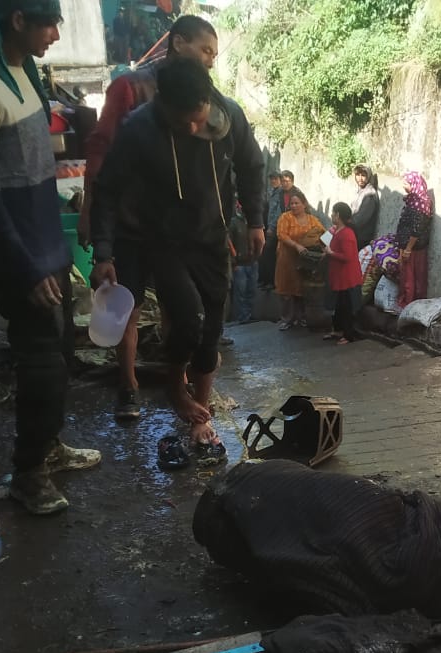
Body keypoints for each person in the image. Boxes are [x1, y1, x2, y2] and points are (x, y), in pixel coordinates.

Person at [0, 0, 101, 516]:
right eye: (50, 24)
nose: (57, 35)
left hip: (48, 251)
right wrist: (26, 267)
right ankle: (28, 473)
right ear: (18, 21)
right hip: (23, 261)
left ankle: (49, 449)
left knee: (59, 356)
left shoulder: (24, 74)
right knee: (39, 367)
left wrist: (56, 254)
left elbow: (34, 177)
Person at [90, 56, 266, 469]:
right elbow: (108, 190)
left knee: (212, 330)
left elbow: (252, 167)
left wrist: (256, 221)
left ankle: (199, 414)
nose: (191, 129)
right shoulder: (137, 129)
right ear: (161, 105)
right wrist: (103, 251)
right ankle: (174, 387)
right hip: (163, 240)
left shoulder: (231, 116)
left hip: (212, 238)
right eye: (181, 122)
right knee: (187, 317)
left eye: (198, 119)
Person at [80, 14, 221, 421]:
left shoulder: (204, 96)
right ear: (179, 43)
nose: (210, 60)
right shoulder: (130, 88)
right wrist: (96, 224)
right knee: (128, 306)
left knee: (187, 312)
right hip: (131, 225)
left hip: (177, 233)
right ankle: (129, 387)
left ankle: (180, 386)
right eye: (205, 50)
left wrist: (221, 222)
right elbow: (100, 151)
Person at [274, 186, 324, 330]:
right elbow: (281, 235)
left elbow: (323, 233)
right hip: (287, 258)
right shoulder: (285, 218)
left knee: (301, 288)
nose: (294, 206)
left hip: (304, 261)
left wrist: (330, 246)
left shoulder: (312, 220)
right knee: (286, 288)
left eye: (297, 203)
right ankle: (287, 319)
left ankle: (301, 318)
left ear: (304, 204)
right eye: (292, 204)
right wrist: (296, 246)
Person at [322, 202, 362, 344]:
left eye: (333, 213)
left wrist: (331, 253)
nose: (331, 215)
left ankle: (348, 335)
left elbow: (348, 256)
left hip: (347, 277)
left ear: (338, 215)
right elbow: (322, 241)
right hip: (337, 276)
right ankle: (337, 330)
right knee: (338, 306)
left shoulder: (347, 234)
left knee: (346, 307)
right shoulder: (335, 230)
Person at [394, 171, 432, 309]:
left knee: (412, 278)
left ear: (415, 184)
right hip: (406, 245)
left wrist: (408, 249)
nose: (404, 186)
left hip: (414, 248)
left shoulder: (421, 204)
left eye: (406, 183)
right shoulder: (412, 200)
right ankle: (406, 302)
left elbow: (417, 229)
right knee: (406, 277)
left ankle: (410, 304)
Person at [229, 200, 258, 324]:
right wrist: (234, 261)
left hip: (253, 261)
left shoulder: (254, 222)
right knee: (240, 292)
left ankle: (248, 315)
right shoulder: (234, 223)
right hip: (239, 263)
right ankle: (241, 318)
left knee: (251, 291)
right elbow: (228, 242)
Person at [260, 171, 283, 289]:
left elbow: (278, 213)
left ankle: (270, 282)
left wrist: (272, 227)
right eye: (272, 179)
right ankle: (264, 280)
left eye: (275, 179)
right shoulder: (271, 192)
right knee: (265, 254)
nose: (273, 181)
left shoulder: (280, 194)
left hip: (273, 229)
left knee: (269, 255)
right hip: (266, 226)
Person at [350, 164, 380, 250]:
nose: (360, 178)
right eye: (358, 175)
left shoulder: (369, 194)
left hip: (362, 238)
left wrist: (345, 224)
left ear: (369, 176)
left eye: (363, 175)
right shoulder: (361, 190)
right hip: (355, 234)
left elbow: (360, 219)